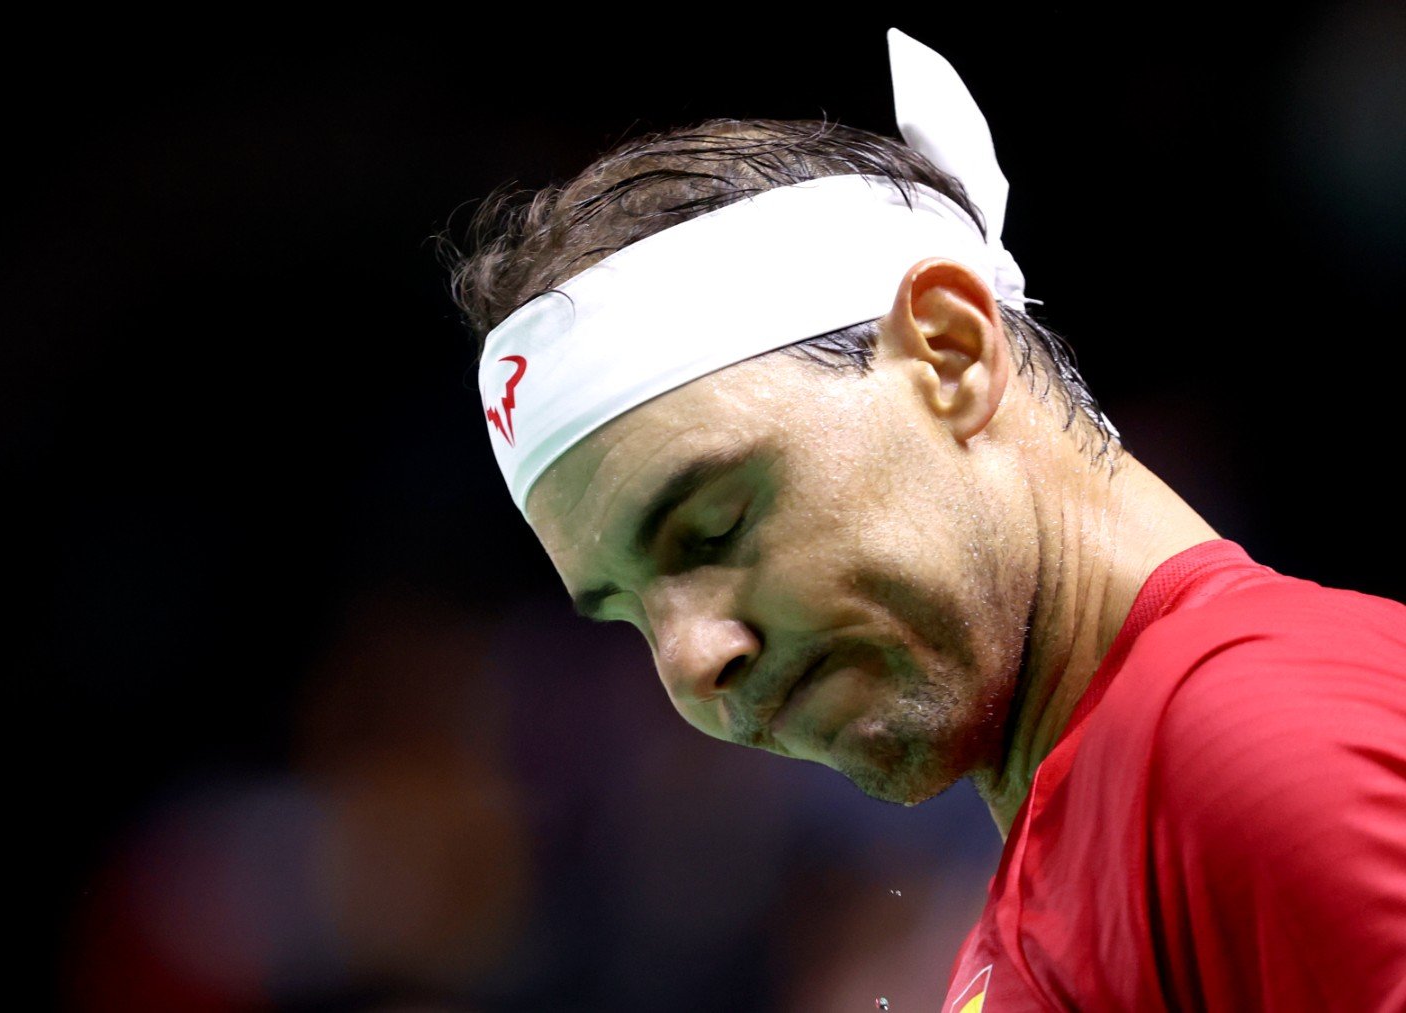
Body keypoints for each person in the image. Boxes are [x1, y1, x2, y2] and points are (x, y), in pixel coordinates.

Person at [446, 29, 1406, 1011]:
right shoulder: (1074, 853)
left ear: (950, 353)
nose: (691, 664)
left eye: (715, 526)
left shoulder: (1269, 749)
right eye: (632, 615)